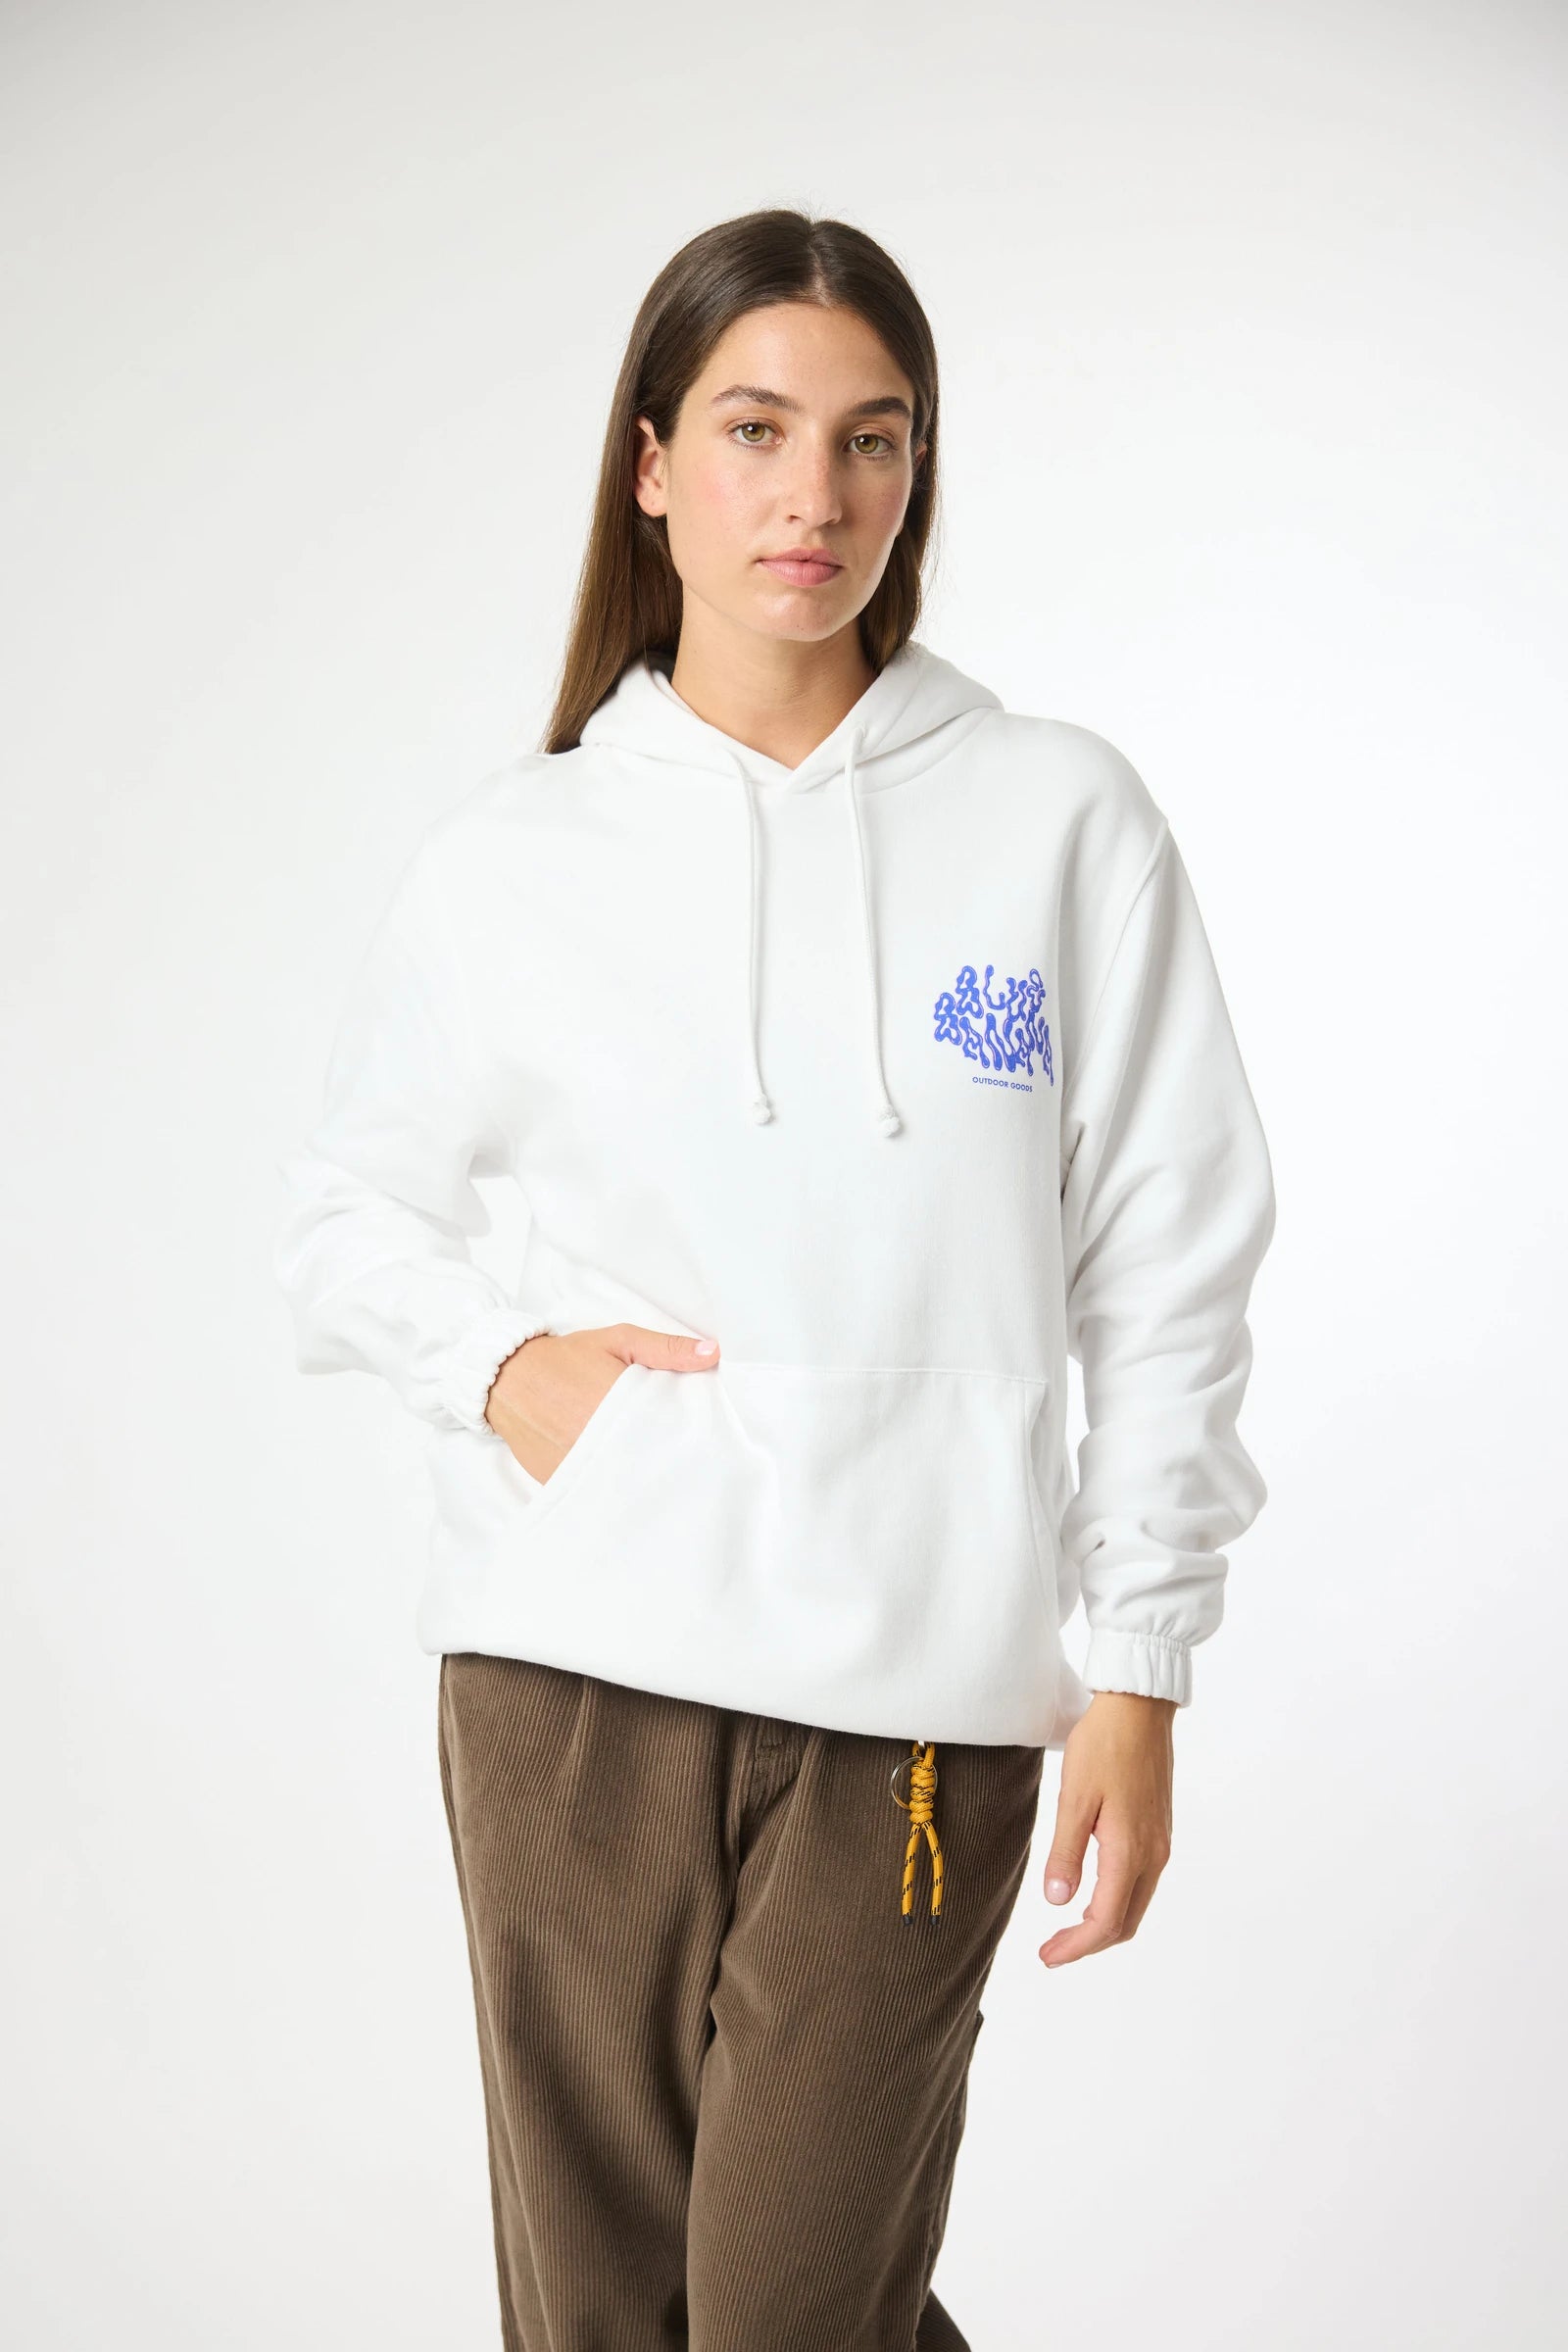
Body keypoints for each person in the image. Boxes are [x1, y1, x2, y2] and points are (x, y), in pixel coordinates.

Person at [272, 208, 1275, 2352]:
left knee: (792, 2311)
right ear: (651, 466)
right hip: (568, 1687)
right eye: (752, 431)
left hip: (918, 1701)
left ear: (915, 473)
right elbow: (345, 1219)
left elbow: (1170, 1253)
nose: (811, 494)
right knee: (598, 2320)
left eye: (867, 439)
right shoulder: (517, 857)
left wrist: (1141, 1660)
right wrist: (509, 1367)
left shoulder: (1057, 820)